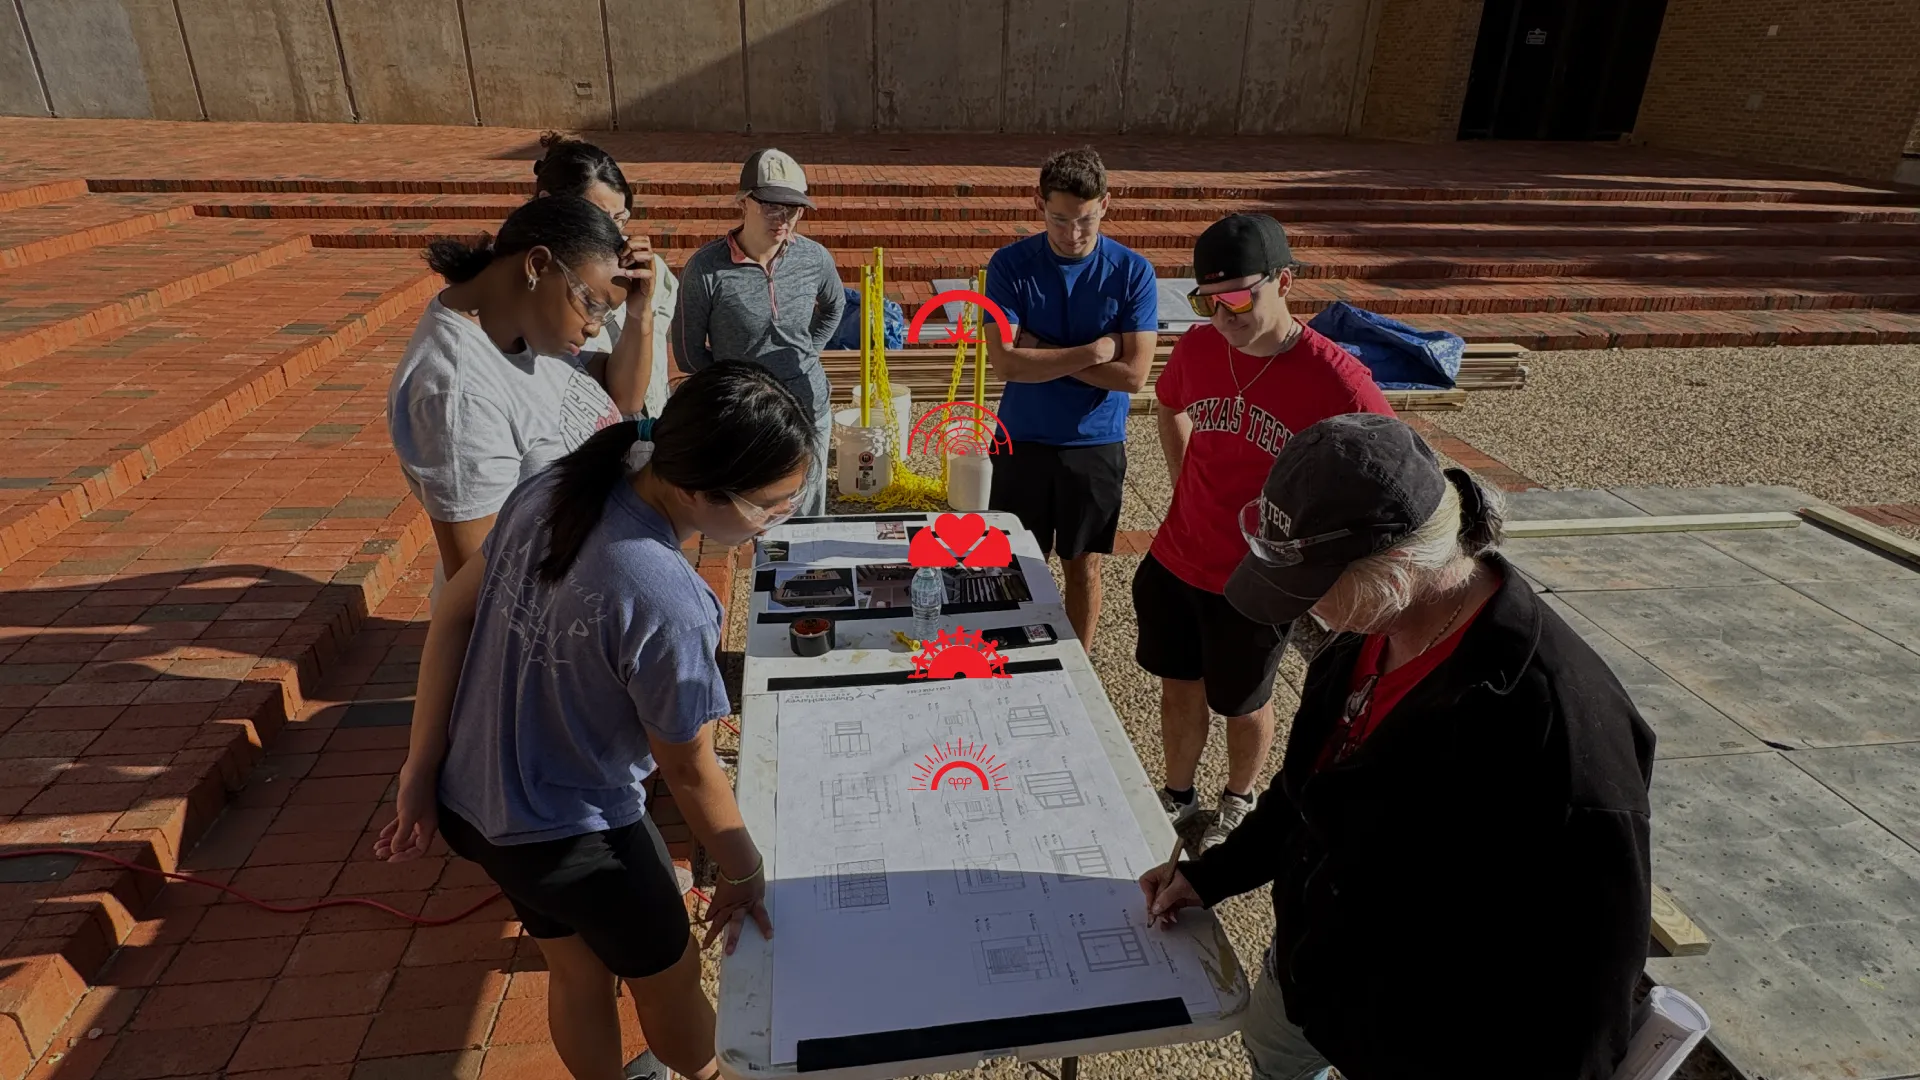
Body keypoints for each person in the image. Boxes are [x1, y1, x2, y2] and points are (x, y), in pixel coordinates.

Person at [1139, 413, 1655, 1080]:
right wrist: (1210, 876)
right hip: (1311, 975)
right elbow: (1305, 793)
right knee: (1274, 1059)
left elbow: (1593, 970)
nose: (1297, 608)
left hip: (1427, 1029)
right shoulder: (1364, 635)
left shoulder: (1558, 722)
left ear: (1398, 566)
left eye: (1310, 586)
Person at [378, 362, 810, 1080]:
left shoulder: (555, 486)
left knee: (575, 967)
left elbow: (451, 613)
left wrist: (419, 770)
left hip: (478, 807)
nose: (774, 521)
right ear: (699, 492)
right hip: (573, 834)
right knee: (670, 979)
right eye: (768, 508)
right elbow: (688, 768)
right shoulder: (668, 599)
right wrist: (745, 870)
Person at [1141, 214, 1394, 852]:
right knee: (1179, 682)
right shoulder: (1198, 348)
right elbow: (1168, 404)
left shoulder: (1338, 381)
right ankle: (1178, 794)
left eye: (1236, 298)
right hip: (1179, 555)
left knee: (1244, 701)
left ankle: (1239, 798)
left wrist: (1327, 552)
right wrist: (1181, 480)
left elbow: (1394, 473)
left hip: (1259, 578)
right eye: (1206, 300)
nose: (1222, 315)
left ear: (1283, 282)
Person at [387, 195, 633, 589]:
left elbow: (622, 394)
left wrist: (642, 313)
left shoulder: (524, 328)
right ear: (537, 266)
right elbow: (485, 587)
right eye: (591, 304)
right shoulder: (459, 396)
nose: (594, 327)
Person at [983, 146, 1157, 651]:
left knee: (1083, 565)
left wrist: (1040, 349)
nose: (1073, 234)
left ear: (1106, 204)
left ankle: (1077, 664)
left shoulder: (1133, 271)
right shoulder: (1009, 265)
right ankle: (1010, 653)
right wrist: (1094, 351)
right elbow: (1006, 364)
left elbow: (1133, 376)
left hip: (1094, 442)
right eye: (1059, 220)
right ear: (1038, 203)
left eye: (1085, 220)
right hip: (1021, 438)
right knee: (1013, 562)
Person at [673, 148, 844, 517]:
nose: (783, 219)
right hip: (747, 417)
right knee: (753, 513)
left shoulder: (814, 258)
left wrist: (809, 352)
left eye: (793, 209)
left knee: (806, 510)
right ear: (744, 202)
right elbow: (687, 352)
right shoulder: (705, 269)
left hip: (809, 405)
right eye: (771, 206)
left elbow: (834, 307)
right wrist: (737, 385)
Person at [531, 131, 678, 421]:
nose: (612, 234)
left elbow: (631, 399)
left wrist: (640, 312)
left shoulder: (646, 271)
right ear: (548, 205)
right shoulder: (524, 283)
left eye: (620, 218)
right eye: (596, 217)